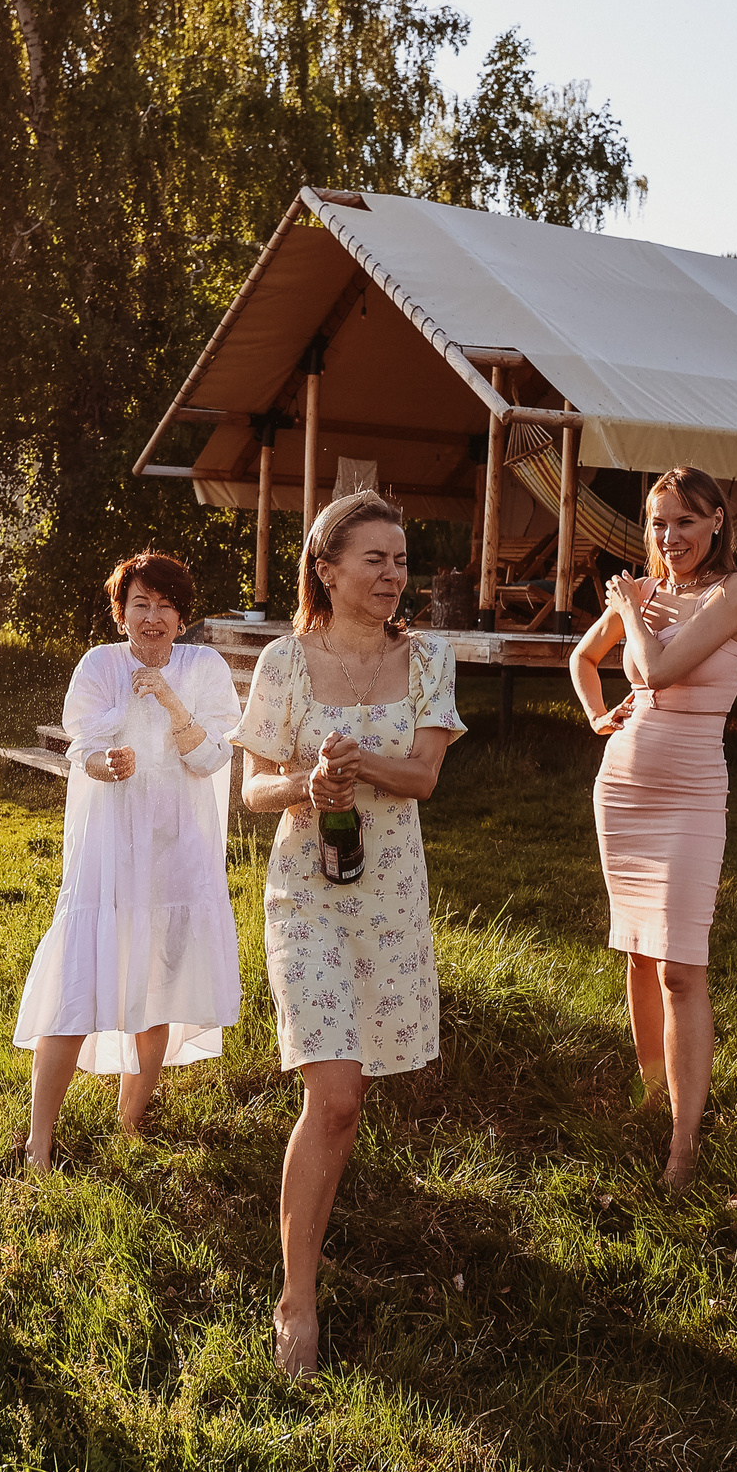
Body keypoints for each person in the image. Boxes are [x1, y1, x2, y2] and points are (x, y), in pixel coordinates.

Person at [234, 491, 465, 1377]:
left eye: (401, 559)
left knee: (359, 1093)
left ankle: (313, 1256)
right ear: (326, 569)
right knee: (331, 1096)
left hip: (391, 895)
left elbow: (424, 777)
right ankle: (298, 1297)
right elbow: (252, 790)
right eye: (374, 559)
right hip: (307, 895)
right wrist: (305, 785)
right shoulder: (284, 663)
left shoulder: (428, 657)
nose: (392, 574)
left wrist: (361, 765)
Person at [10, 553, 243, 1171]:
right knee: (77, 981)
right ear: (121, 614)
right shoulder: (98, 665)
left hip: (177, 847)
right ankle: (39, 1139)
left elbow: (213, 757)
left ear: (182, 616)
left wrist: (170, 701)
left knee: (158, 986)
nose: (153, 617)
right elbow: (82, 743)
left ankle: (130, 1126)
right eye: (140, 603)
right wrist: (103, 763)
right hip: (109, 844)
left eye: (166, 605)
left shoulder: (205, 668)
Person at [569, 466, 737, 1195]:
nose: (668, 536)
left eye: (684, 520)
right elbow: (583, 658)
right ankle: (651, 1097)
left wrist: (630, 608)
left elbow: (658, 672)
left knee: (682, 963)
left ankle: (684, 1144)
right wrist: (595, 716)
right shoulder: (645, 592)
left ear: (716, 521)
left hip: (690, 790)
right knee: (640, 954)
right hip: (623, 786)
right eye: (656, 522)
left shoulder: (735, 592)